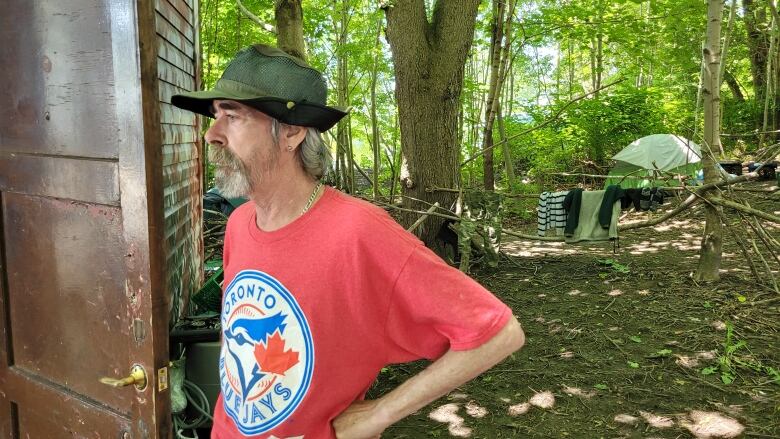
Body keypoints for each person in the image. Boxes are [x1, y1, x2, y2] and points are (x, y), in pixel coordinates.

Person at [172, 44, 525, 439]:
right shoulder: (239, 223)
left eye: (232, 116)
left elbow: (499, 333)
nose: (211, 134)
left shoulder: (358, 231)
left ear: (291, 132)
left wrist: (378, 414)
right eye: (215, 115)